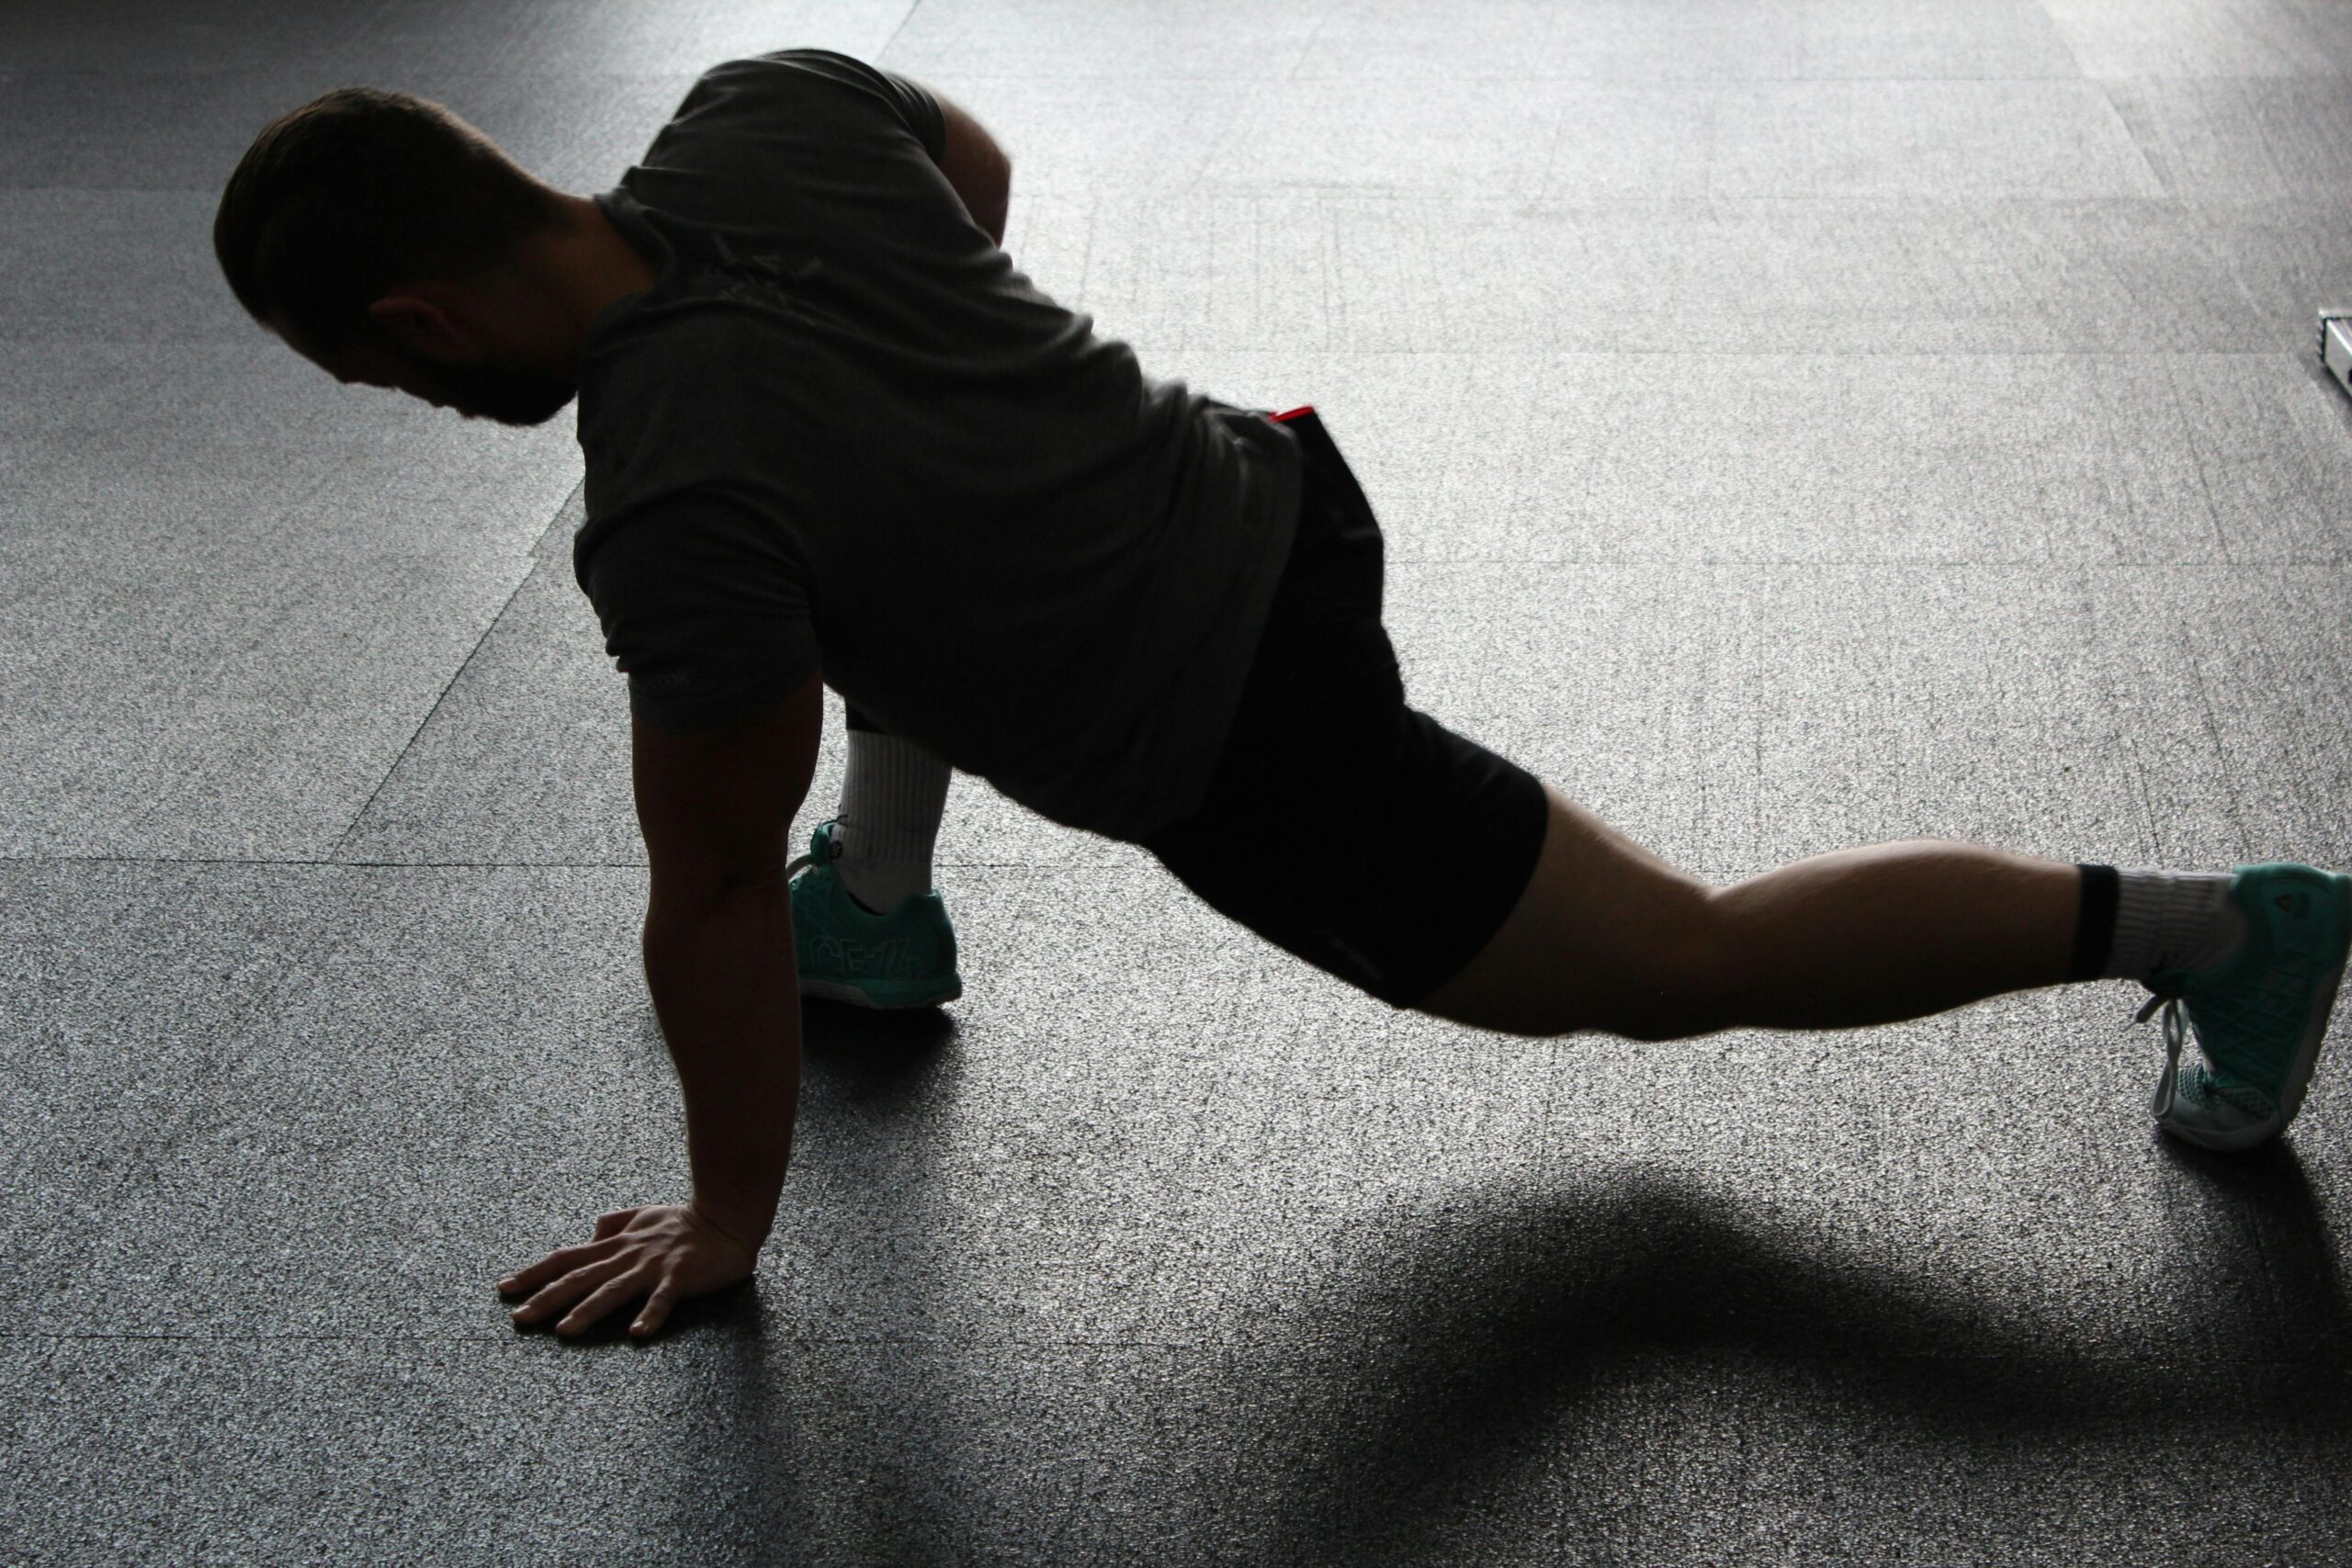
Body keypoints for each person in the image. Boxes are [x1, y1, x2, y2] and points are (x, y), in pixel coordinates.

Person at [213, 47, 2351, 1342]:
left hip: (1246, 730)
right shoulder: (763, 110)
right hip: (1268, 478)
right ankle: (879, 894)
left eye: (381, 377)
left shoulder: (673, 502)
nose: (412, 404)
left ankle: (2214, 929)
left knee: (1677, 960)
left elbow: (694, 896)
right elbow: (972, 184)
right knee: (878, 559)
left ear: (415, 314)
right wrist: (947, 407)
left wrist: (730, 1213)